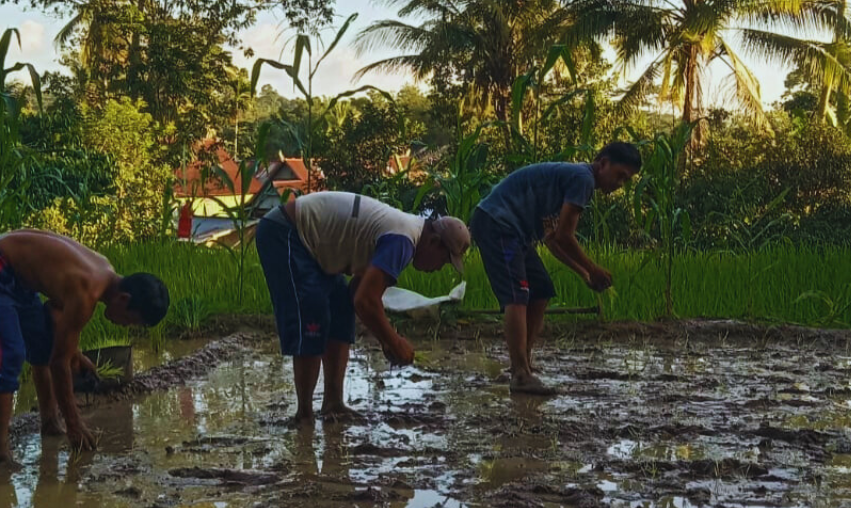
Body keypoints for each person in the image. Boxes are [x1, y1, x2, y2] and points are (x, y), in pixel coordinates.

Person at [254, 192, 471, 424]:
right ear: (434, 242)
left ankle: (333, 403)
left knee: (340, 309)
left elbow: (357, 292)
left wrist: (386, 339)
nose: (438, 268)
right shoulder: (403, 240)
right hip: (287, 232)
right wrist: (394, 341)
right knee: (312, 313)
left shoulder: (405, 235)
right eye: (444, 260)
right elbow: (366, 300)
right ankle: (304, 414)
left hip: (314, 245)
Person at [0, 229, 170, 465]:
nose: (124, 326)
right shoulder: (87, 291)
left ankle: (49, 422)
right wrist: (74, 424)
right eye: (130, 321)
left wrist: (74, 352)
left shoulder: (105, 273)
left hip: (19, 278)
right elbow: (58, 364)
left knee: (42, 344)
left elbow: (54, 311)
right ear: (124, 300)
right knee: (9, 356)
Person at [470, 142, 642, 394]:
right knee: (517, 295)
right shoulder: (582, 179)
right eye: (620, 176)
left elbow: (551, 239)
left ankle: (523, 365)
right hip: (497, 224)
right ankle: (520, 374)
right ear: (603, 163)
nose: (620, 184)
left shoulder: (574, 180)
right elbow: (564, 236)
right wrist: (593, 268)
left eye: (626, 181)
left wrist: (584, 274)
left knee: (540, 290)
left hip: (515, 232)